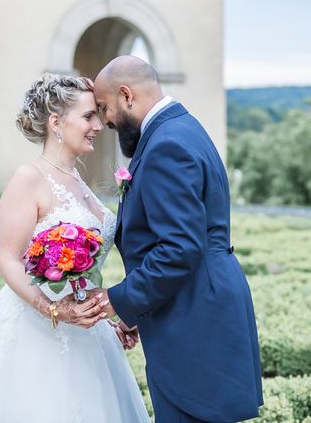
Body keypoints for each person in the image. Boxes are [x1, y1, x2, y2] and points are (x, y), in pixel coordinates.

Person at [0, 73, 151, 422]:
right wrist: (53, 309)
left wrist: (109, 316)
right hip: (36, 333)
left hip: (88, 333)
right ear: (56, 122)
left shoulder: (78, 181)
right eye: (88, 116)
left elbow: (85, 274)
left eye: (98, 114)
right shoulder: (28, 178)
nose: (99, 124)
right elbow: (8, 258)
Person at [92, 56, 263, 422]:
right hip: (194, 303)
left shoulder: (165, 145)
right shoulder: (180, 128)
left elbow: (179, 248)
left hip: (194, 316)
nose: (105, 120)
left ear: (126, 95)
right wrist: (138, 310)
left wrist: (118, 300)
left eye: (105, 107)